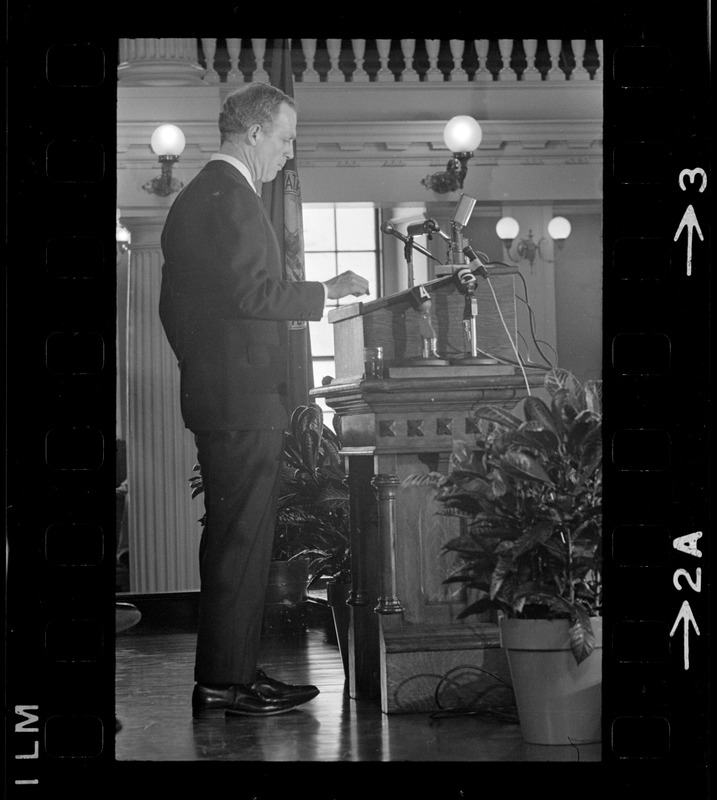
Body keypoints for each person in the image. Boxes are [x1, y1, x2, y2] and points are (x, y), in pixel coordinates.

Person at [158, 83, 369, 719]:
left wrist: (206, 366)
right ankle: (226, 682)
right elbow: (255, 296)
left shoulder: (198, 199)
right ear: (253, 133)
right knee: (241, 539)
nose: (287, 153)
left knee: (236, 539)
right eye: (283, 139)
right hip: (242, 399)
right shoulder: (232, 198)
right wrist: (324, 291)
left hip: (221, 392)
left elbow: (176, 311)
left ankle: (234, 672)